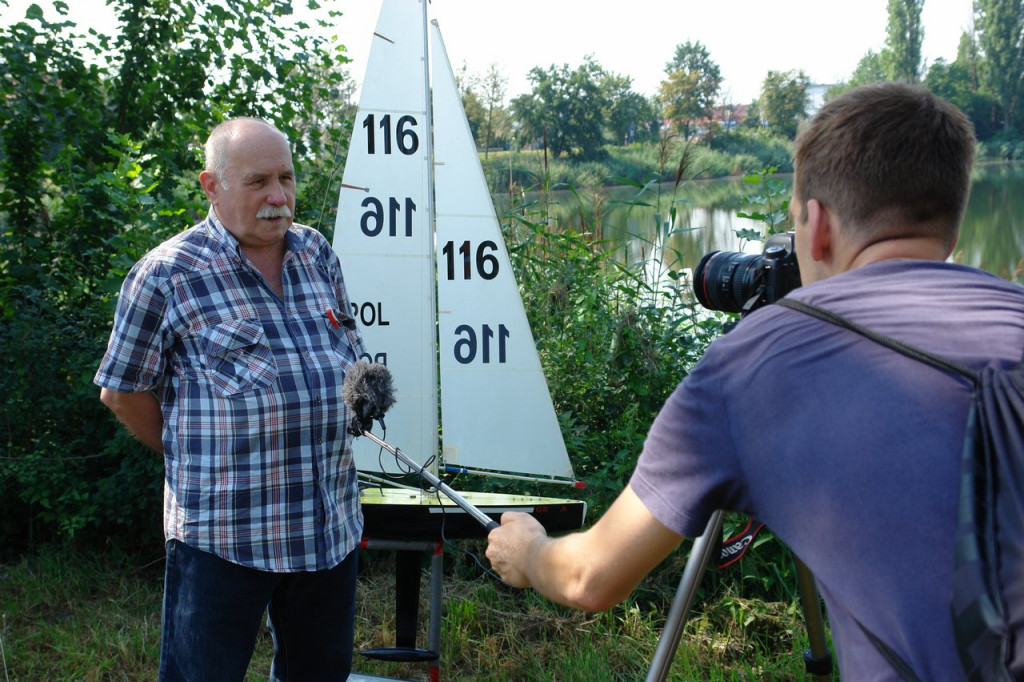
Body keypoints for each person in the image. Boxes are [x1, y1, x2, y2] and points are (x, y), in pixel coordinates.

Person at [486, 82, 1024, 679]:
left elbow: (591, 576)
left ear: (816, 226)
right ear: (954, 228)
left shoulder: (754, 363)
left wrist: (531, 553)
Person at [95, 117, 367, 681]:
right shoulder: (168, 275)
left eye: (287, 179)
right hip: (224, 537)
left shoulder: (317, 254)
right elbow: (121, 391)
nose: (278, 196)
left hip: (328, 527)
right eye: (258, 181)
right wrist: (187, 457)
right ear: (211, 186)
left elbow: (348, 355)